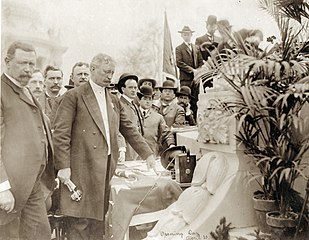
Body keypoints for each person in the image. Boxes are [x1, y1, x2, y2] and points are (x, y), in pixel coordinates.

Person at [52, 53, 157, 240]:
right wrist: (63, 167)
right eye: (106, 72)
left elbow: (129, 129)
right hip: (80, 169)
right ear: (92, 69)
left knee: (98, 223)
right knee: (79, 223)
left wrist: (147, 154)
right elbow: (61, 134)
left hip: (106, 168)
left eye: (112, 72)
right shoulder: (73, 96)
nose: (110, 76)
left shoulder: (114, 99)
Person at [0, 41, 55, 239]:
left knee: (40, 234)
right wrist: (2, 188)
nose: (28, 69)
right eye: (23, 63)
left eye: (32, 64)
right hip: (11, 188)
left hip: (33, 183)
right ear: (7, 62)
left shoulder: (26, 90)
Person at [137, 86, 175, 157]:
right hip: (134, 155)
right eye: (145, 98)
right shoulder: (133, 114)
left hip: (152, 154)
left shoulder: (158, 117)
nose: (148, 101)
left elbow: (166, 133)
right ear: (139, 100)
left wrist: (171, 145)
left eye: (150, 99)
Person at [117, 73, 144, 160]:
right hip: (127, 149)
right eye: (130, 87)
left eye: (135, 88)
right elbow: (117, 128)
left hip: (137, 148)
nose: (133, 90)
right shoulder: (119, 104)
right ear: (123, 89)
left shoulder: (134, 104)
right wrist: (122, 149)